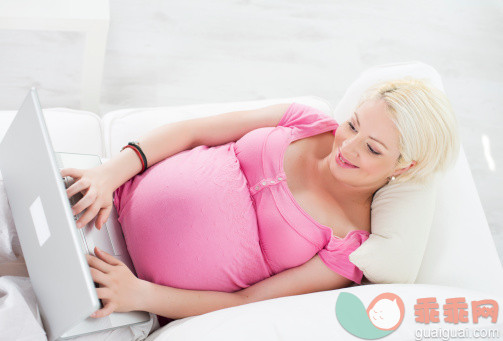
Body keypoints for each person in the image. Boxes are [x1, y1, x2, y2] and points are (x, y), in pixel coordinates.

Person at [60, 77, 459, 325]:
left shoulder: (348, 247)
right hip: (105, 203)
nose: (348, 146)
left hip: (129, 293)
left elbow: (246, 303)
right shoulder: (305, 120)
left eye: (372, 148)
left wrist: (139, 295)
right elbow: (194, 132)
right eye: (353, 124)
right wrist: (108, 173)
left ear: (404, 168)